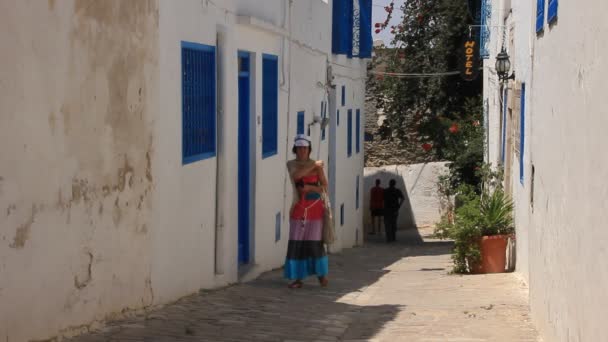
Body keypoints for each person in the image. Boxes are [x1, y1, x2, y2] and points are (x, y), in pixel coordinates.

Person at [284, 134, 329, 289]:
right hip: (298, 209)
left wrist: (311, 188)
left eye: (305, 148)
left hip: (315, 209)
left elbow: (324, 186)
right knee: (297, 243)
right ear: (295, 149)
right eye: (299, 148)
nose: (302, 151)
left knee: (315, 243)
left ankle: (321, 275)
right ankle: (297, 278)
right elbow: (296, 175)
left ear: (309, 149)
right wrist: (315, 165)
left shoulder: (316, 166)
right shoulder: (291, 164)